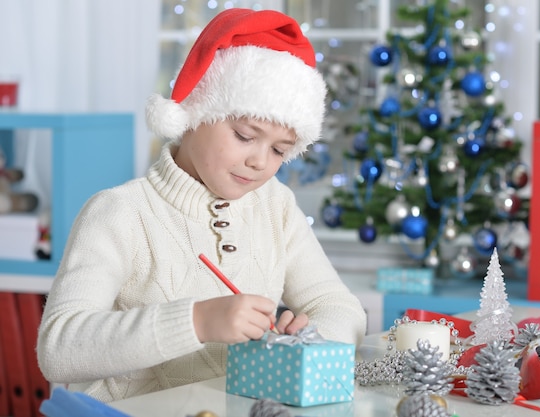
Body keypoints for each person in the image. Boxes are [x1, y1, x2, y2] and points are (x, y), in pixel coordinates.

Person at [37, 8, 367, 403]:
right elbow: (58, 349)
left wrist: (309, 340)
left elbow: (338, 305)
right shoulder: (119, 213)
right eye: (245, 135)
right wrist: (196, 321)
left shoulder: (275, 205)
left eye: (280, 149)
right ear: (194, 113)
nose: (260, 161)